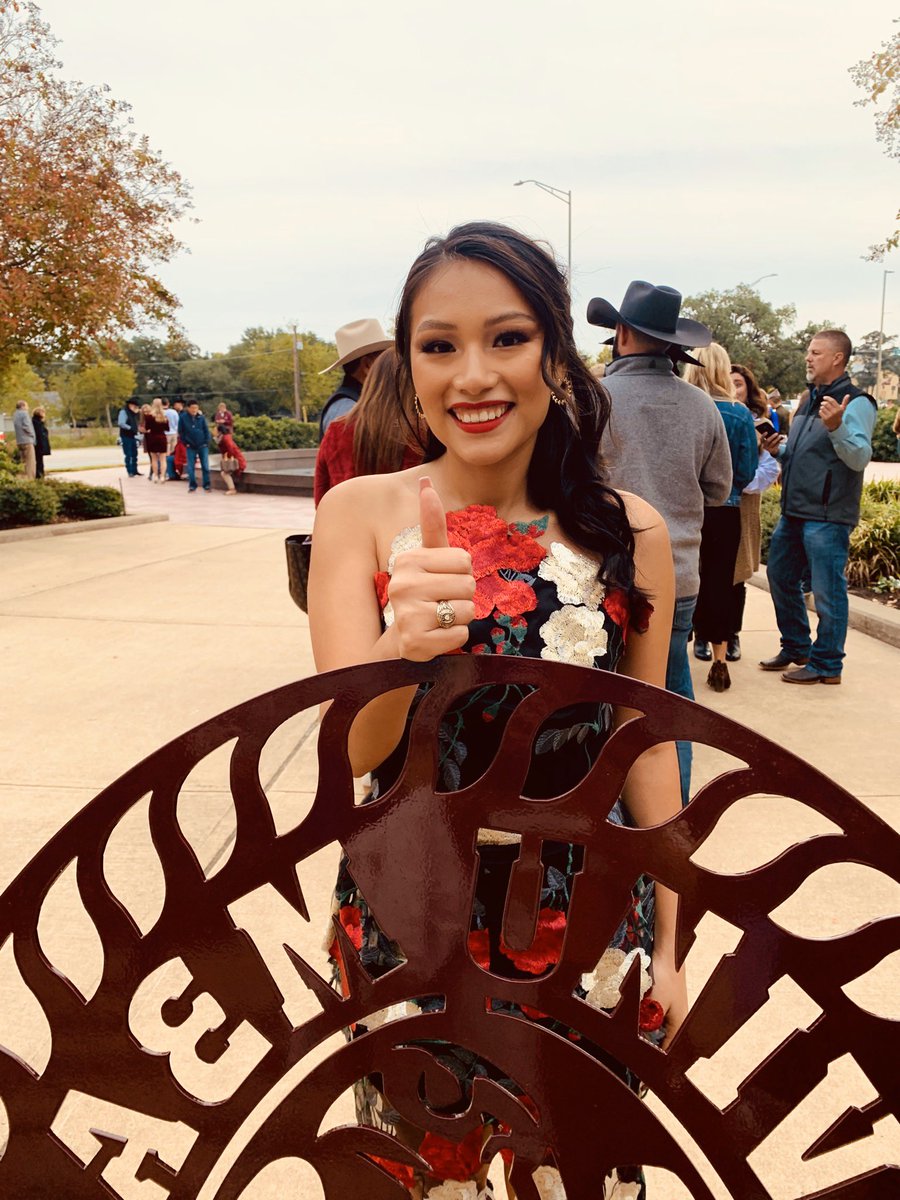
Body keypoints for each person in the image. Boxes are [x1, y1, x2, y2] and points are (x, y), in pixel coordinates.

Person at [310, 223, 687, 1199]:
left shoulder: (628, 532)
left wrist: (673, 946)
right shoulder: (361, 516)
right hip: (409, 915)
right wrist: (406, 650)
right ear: (411, 366)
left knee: (580, 1175)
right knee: (421, 1176)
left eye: (507, 338)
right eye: (439, 346)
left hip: (592, 921)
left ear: (556, 353)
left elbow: (645, 753)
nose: (472, 375)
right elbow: (352, 751)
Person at [586, 282, 732, 798]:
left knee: (600, 701)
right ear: (673, 344)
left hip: (602, 572)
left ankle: (610, 812)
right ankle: (673, 817)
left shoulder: (592, 400)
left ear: (621, 333)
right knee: (672, 705)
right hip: (679, 574)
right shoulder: (702, 406)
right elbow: (719, 490)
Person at [760, 330, 876, 684]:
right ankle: (798, 647)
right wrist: (777, 449)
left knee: (828, 591)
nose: (808, 358)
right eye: (808, 352)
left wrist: (837, 427)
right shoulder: (809, 398)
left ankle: (827, 665)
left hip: (828, 515)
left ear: (837, 358)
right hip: (794, 510)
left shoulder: (857, 402)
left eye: (815, 352)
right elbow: (804, 453)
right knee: (779, 576)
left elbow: (859, 458)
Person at [682, 346, 758, 691]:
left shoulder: (683, 406)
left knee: (682, 579)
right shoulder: (739, 414)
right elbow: (746, 471)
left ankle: (677, 648)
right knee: (721, 582)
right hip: (725, 509)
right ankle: (719, 658)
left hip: (684, 507)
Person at [314, 348, 424, 504]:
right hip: (404, 526)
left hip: (347, 524)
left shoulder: (337, 430)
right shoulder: (420, 433)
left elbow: (321, 496)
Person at [318, 318, 393, 438]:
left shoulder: (350, 405)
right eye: (383, 359)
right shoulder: (346, 409)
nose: (389, 365)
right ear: (367, 365)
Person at [178, 400, 212, 492]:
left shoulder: (201, 418)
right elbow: (181, 432)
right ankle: (192, 485)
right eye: (192, 408)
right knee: (190, 467)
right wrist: (186, 443)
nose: (194, 410)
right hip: (190, 446)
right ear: (188, 408)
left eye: (196, 408)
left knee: (205, 466)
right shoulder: (183, 418)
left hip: (202, 445)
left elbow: (206, 430)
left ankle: (207, 485)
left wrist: (206, 441)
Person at [141, 397, 169, 483]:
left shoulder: (149, 417)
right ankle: (162, 476)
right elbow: (167, 429)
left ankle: (156, 475)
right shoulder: (164, 417)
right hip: (162, 437)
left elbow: (147, 428)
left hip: (152, 438)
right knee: (163, 459)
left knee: (154, 459)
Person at [117, 397, 142, 477]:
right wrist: (130, 428)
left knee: (134, 454)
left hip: (133, 436)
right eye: (135, 405)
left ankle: (135, 470)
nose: (136, 407)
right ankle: (130, 471)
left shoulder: (133, 414)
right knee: (128, 454)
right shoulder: (123, 412)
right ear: (130, 405)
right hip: (126, 435)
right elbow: (121, 423)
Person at [13, 400, 37, 479]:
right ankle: (30, 479)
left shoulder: (15, 414)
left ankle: (23, 478)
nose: (28, 408)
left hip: (20, 440)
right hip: (27, 440)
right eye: (27, 406)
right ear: (22, 406)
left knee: (23, 461)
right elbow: (27, 426)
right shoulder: (24, 414)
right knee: (30, 462)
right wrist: (32, 435)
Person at [165, 399, 184, 480]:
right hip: (174, 433)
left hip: (167, 434)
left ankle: (170, 474)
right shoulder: (175, 412)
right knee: (169, 456)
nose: (175, 406)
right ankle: (171, 474)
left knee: (167, 457)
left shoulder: (181, 414)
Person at [31, 406, 51, 479]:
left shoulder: (37, 422)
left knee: (39, 461)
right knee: (39, 461)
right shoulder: (38, 423)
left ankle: (40, 474)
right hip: (39, 445)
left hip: (38, 444)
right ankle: (39, 475)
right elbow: (40, 434)